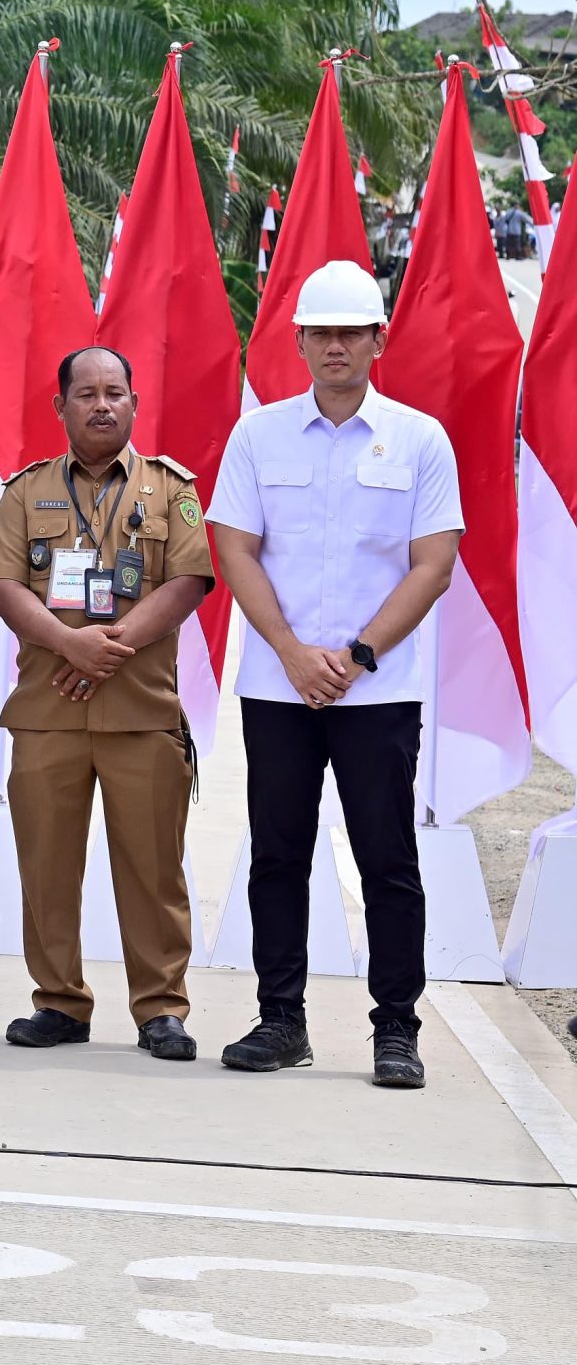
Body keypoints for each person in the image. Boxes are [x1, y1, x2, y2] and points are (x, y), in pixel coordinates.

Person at [207, 260, 462, 1088]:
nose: (337, 345)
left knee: (387, 861)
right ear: (301, 341)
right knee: (277, 856)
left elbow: (432, 565)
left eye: (353, 331)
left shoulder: (420, 438)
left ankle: (396, 1030)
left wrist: (353, 657)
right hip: (279, 688)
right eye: (322, 332)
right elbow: (235, 547)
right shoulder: (259, 435)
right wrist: (288, 650)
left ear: (379, 339)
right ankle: (281, 1019)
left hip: (376, 692)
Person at [0, 346, 212, 1061]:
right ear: (61, 407)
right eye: (86, 393)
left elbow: (190, 578)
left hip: (141, 711)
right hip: (49, 708)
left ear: (135, 403)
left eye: (115, 392)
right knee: (47, 867)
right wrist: (66, 643)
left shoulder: (171, 489)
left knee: (153, 870)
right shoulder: (25, 492)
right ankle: (58, 1001)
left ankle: (161, 1009)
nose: (102, 404)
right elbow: (5, 583)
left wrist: (110, 646)